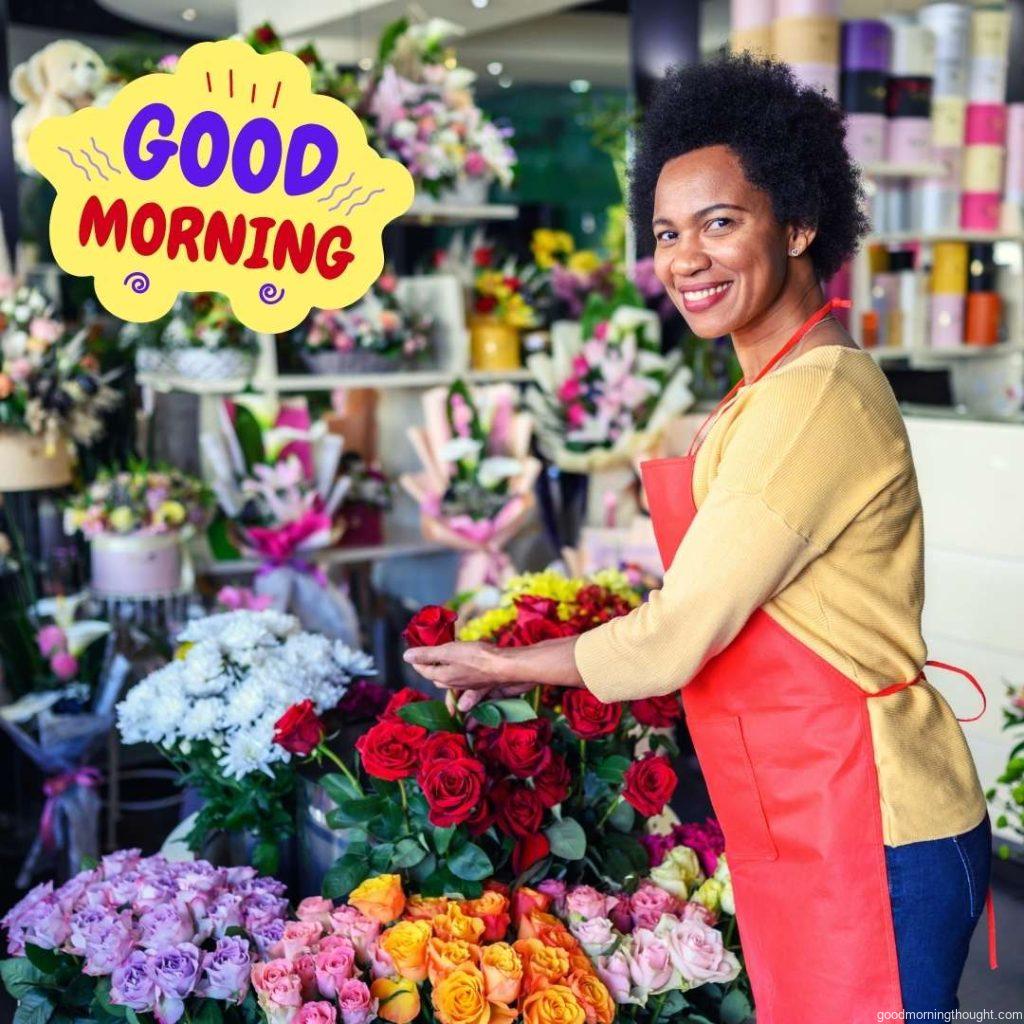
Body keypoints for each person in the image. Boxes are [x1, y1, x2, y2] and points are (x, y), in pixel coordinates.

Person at [404, 53, 994, 1022]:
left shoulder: (817, 396)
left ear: (799, 222)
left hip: (874, 819)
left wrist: (510, 664)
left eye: (720, 223)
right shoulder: (764, 390)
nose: (685, 258)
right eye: (668, 232)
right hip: (811, 806)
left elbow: (680, 634)